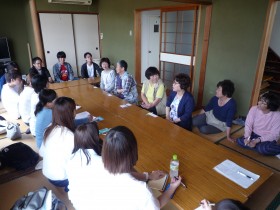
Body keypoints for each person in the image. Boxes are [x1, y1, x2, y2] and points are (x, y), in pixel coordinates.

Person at [69, 125, 181, 209]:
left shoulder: (95, 166)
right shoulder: (140, 190)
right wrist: (172, 187)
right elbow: (157, 205)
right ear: (133, 152)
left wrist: (148, 176)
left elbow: (125, 176)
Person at [39, 97, 76, 192]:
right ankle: (71, 188)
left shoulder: (48, 129)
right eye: (74, 110)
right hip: (62, 179)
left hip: (48, 174)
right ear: (71, 113)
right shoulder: (70, 135)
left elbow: (42, 153)